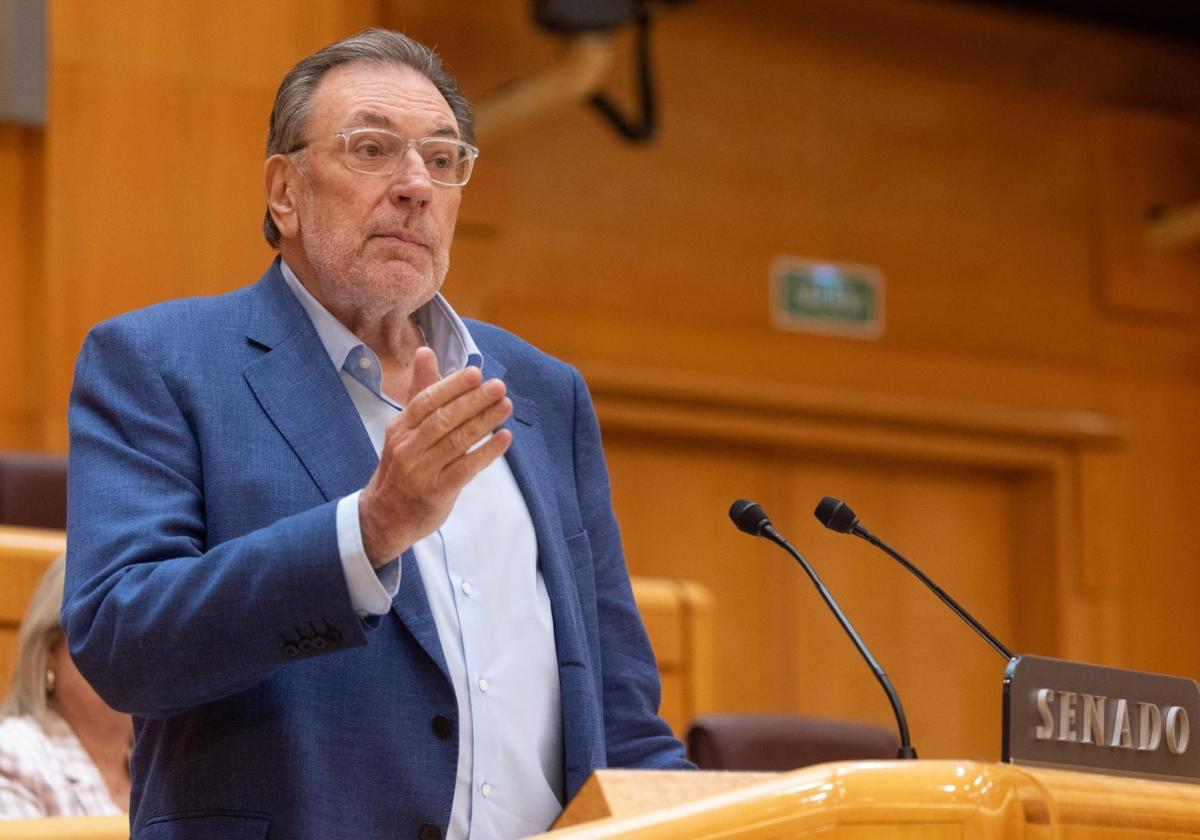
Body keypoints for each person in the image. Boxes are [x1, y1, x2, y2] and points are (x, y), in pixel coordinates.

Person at [63, 27, 690, 840]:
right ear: (283, 191)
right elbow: (124, 641)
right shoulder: (161, 363)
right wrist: (369, 530)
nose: (414, 186)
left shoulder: (543, 393)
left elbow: (619, 715)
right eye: (372, 150)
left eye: (442, 159)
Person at [0, 556, 132, 819]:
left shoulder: (168, 755)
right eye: (105, 634)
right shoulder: (14, 754)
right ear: (49, 651)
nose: (128, 653)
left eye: (139, 635)